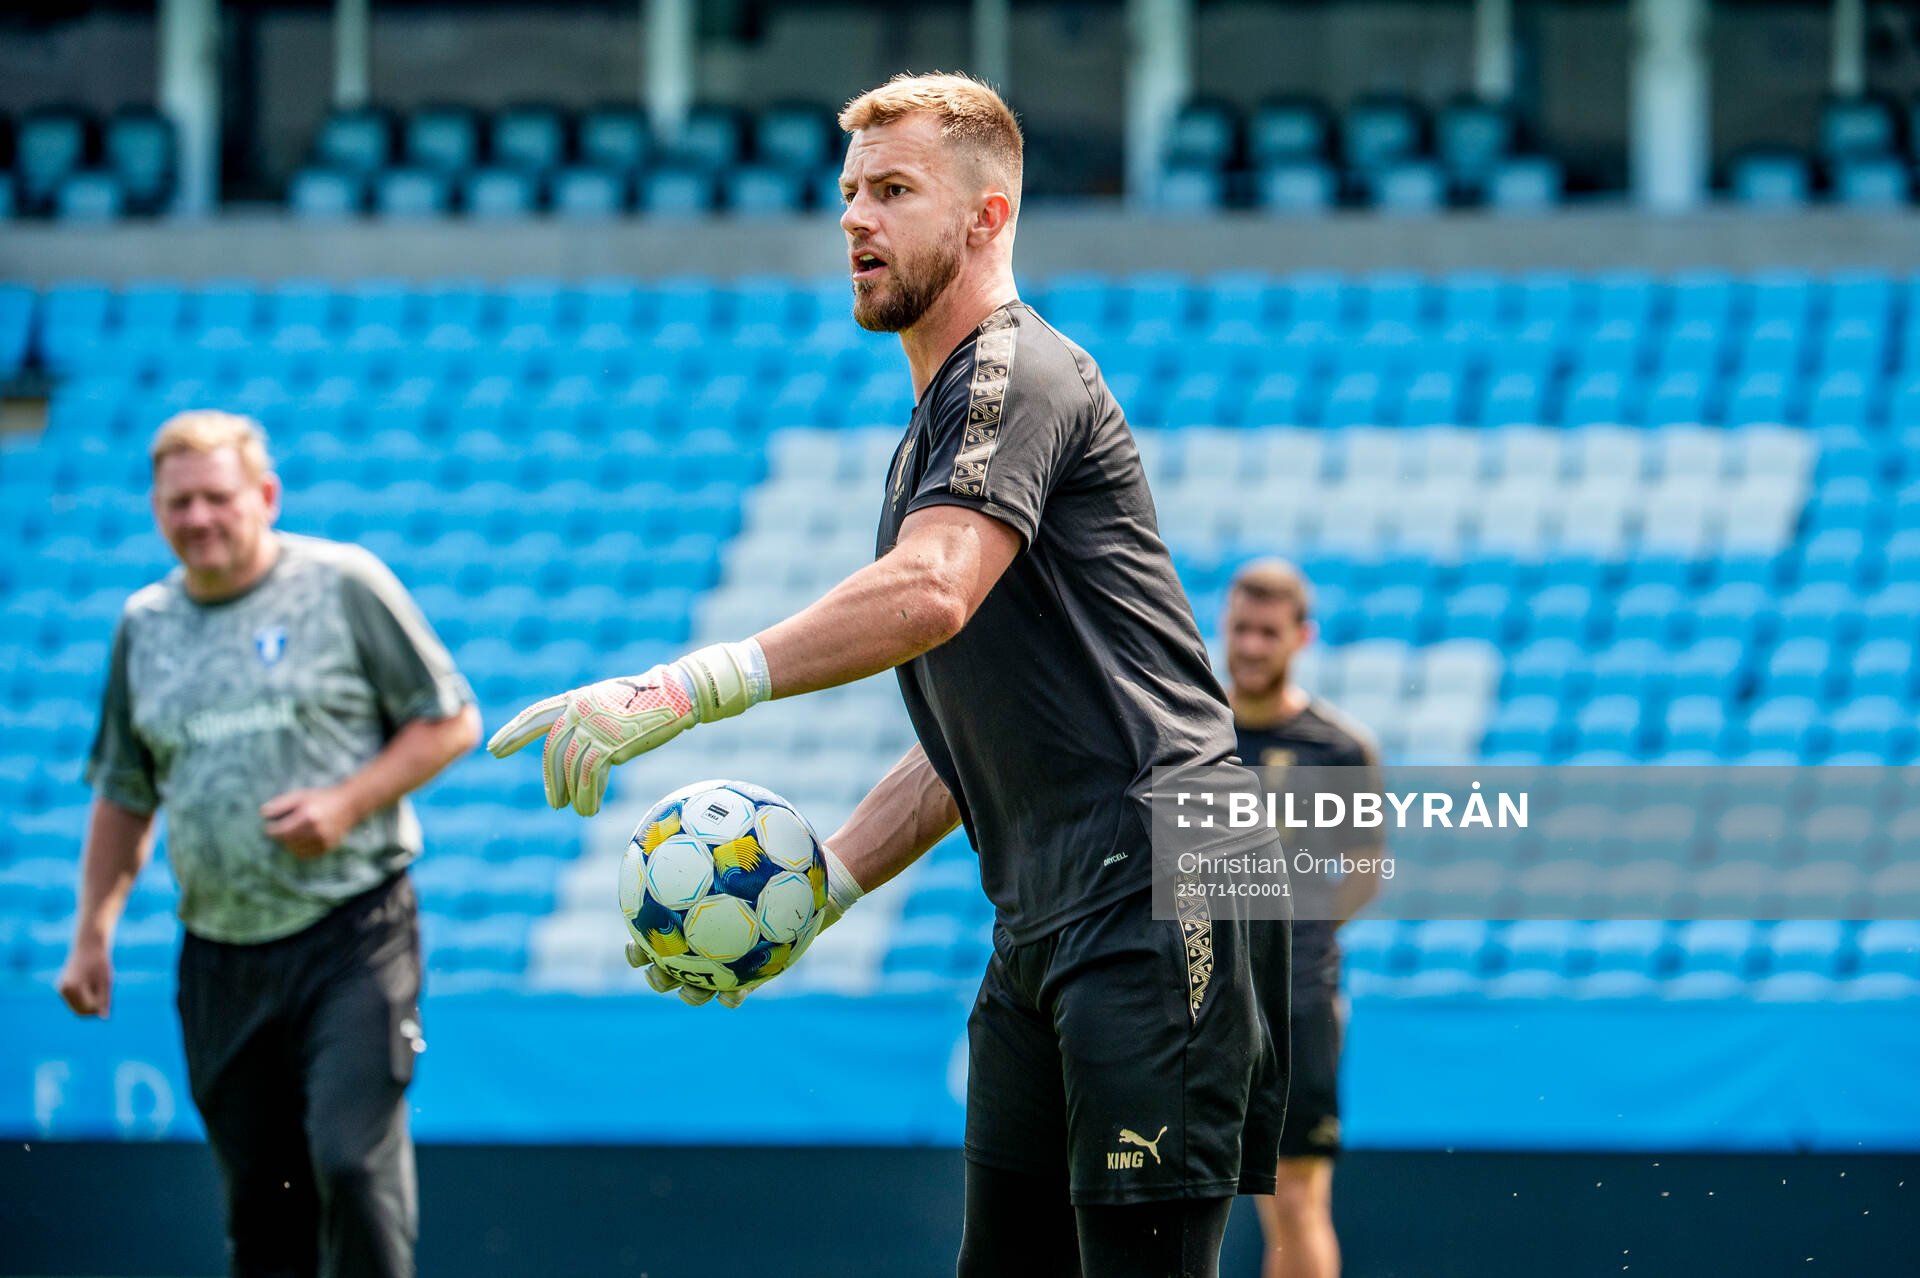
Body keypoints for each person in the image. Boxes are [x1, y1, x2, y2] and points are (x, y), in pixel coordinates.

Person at [488, 73, 1286, 1278]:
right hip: (1051, 902)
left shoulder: (1017, 372)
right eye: (850, 191)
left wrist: (682, 689)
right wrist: (831, 884)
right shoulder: (939, 419)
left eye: (895, 191)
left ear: (987, 217)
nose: (856, 218)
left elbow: (928, 594)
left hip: (1167, 874)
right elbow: (987, 730)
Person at [58, 411, 480, 1278]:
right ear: (155, 509)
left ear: (266, 495)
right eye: (180, 503)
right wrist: (92, 932)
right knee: (263, 1208)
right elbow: (125, 791)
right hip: (219, 954)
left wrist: (344, 802)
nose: (199, 518)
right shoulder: (143, 625)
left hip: (353, 930)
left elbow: (450, 721)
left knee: (352, 1165)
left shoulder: (341, 583)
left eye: (218, 497)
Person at [1221, 560, 1384, 1278]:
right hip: (1190, 995)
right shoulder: (1189, 733)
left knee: (1294, 1200)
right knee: (1161, 1187)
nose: (1252, 646)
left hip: (1296, 1000)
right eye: (1241, 629)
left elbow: (1368, 872)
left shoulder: (1339, 748)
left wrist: (1294, 935)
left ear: (1300, 638)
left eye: (1268, 632)